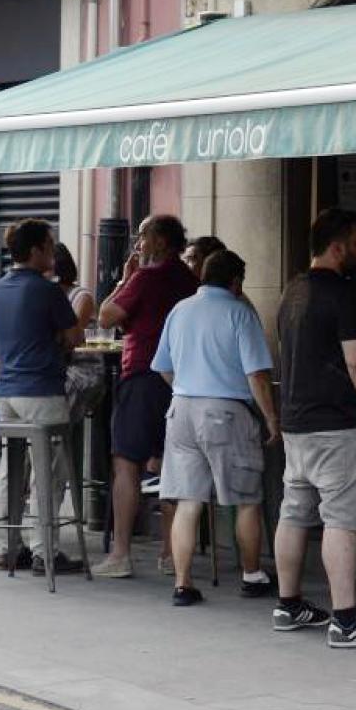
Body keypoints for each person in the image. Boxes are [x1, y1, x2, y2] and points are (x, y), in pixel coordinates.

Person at [273, 208, 356, 648]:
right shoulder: (343, 294)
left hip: (296, 422)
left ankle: (288, 605)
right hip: (336, 425)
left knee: (293, 512)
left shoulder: (291, 292)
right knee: (341, 521)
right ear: (337, 246)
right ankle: (345, 621)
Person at [152, 249, 278, 606]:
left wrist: (188, 385)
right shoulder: (240, 312)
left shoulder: (179, 310)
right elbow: (256, 374)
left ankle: (183, 584)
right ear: (235, 281)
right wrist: (270, 417)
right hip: (226, 413)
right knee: (247, 500)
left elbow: (162, 366)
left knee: (189, 501)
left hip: (181, 410)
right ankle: (252, 575)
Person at [91, 215, 198, 578]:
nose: (138, 243)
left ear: (162, 242)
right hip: (180, 380)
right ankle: (171, 553)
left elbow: (105, 316)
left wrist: (123, 279)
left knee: (126, 462)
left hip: (141, 375)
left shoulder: (145, 278)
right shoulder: (189, 279)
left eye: (144, 236)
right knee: (173, 463)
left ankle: (121, 552)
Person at [0, 219, 87, 576]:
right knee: (49, 472)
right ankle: (45, 551)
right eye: (49, 246)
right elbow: (75, 335)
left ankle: (7, 548)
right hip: (42, 390)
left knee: (10, 470)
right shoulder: (47, 290)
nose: (53, 253)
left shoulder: (1, 286)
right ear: (34, 251)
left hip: (7, 391)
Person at [53, 242, 103, 421]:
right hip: (57, 364)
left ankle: (56, 440)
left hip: (83, 367)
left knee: (57, 393)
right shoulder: (45, 295)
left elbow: (70, 340)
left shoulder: (81, 297)